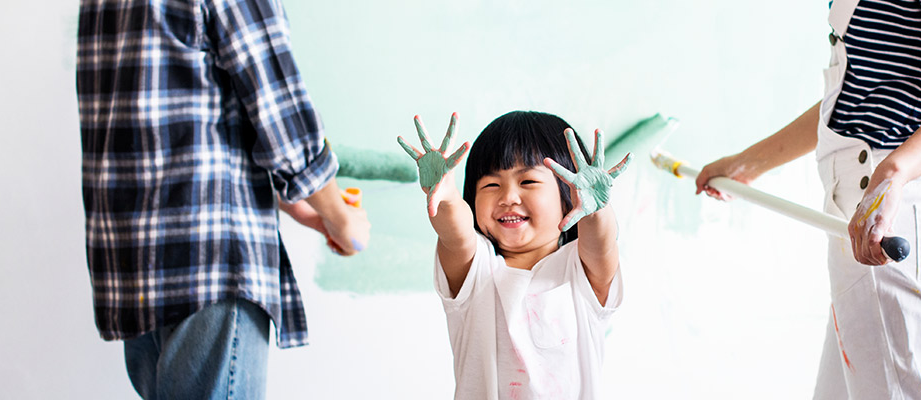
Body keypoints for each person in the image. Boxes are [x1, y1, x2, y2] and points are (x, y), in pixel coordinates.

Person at [75, 0, 370, 398]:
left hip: (134, 261)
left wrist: (298, 205)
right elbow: (278, 109)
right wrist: (340, 216)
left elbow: (171, 110)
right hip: (209, 259)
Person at [694, 1, 921, 398]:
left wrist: (894, 173)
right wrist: (749, 162)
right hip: (882, 206)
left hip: (887, 212)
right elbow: (863, 97)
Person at [398, 111, 631, 399]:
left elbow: (602, 243)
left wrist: (596, 210)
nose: (508, 197)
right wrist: (445, 197)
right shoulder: (476, 270)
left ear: (568, 195)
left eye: (528, 182)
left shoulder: (580, 269)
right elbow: (455, 235)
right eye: (491, 185)